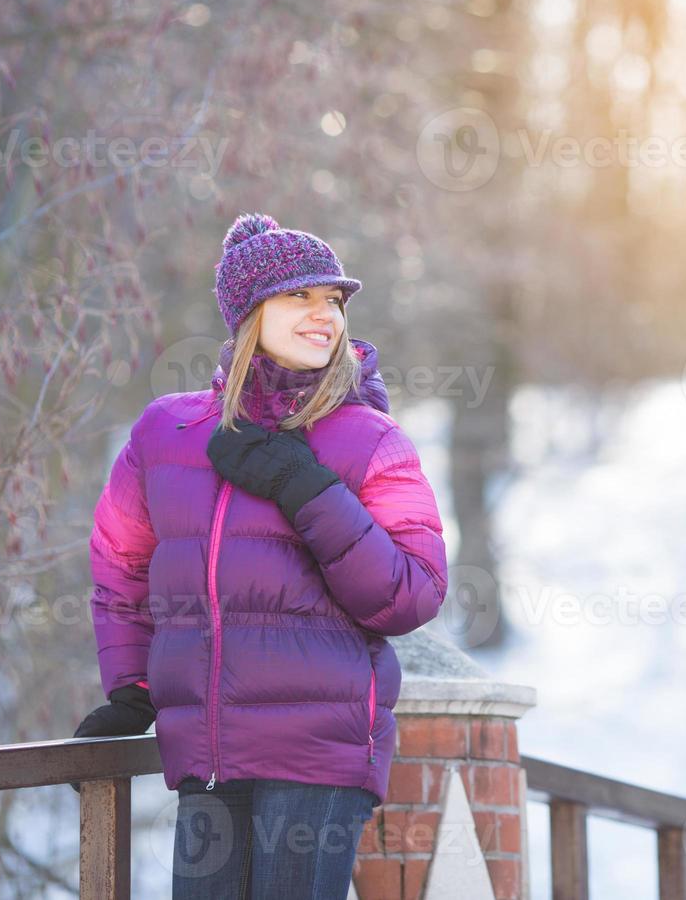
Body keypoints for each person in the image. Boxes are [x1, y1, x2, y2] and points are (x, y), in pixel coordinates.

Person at [73, 213, 449, 898]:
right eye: (299, 297)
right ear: (249, 313)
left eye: (332, 300)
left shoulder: (372, 440)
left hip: (320, 762)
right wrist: (134, 688)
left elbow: (411, 593)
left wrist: (306, 487)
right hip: (209, 762)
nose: (324, 315)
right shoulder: (168, 430)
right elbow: (121, 562)